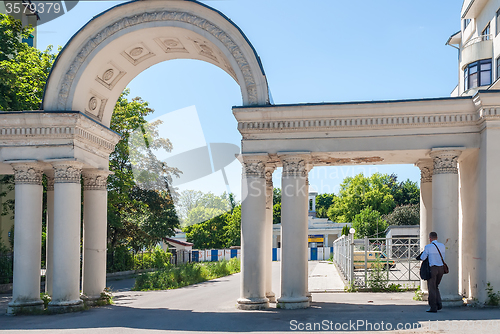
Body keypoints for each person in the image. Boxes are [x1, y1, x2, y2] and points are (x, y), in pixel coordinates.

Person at [419, 231, 445, 313]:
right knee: (436, 286)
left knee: (431, 287)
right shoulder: (442, 246)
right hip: (441, 268)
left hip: (432, 269)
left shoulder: (428, 247)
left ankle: (433, 307)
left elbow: (423, 258)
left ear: (430, 238)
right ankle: (439, 303)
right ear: (437, 238)